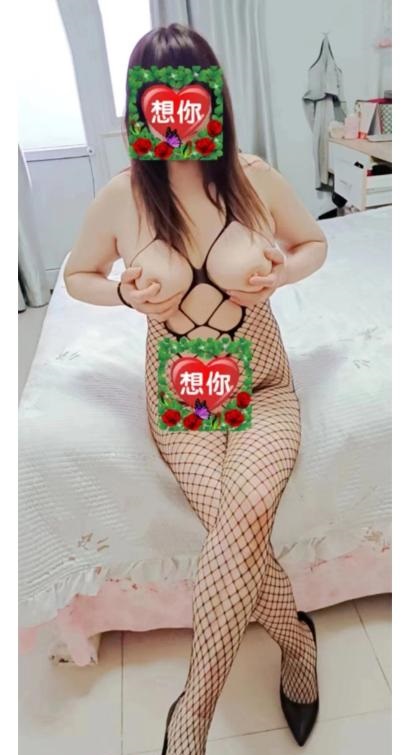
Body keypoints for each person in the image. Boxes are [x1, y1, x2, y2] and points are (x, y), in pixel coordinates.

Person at [64, 22, 327, 754]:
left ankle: (191, 720)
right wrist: (123, 293)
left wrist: (282, 271)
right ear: (142, 106)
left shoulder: (254, 177)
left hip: (262, 384)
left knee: (246, 511)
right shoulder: (122, 198)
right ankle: (296, 643)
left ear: (212, 97)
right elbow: (77, 276)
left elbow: (314, 242)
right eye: (160, 98)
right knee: (237, 528)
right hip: (183, 402)